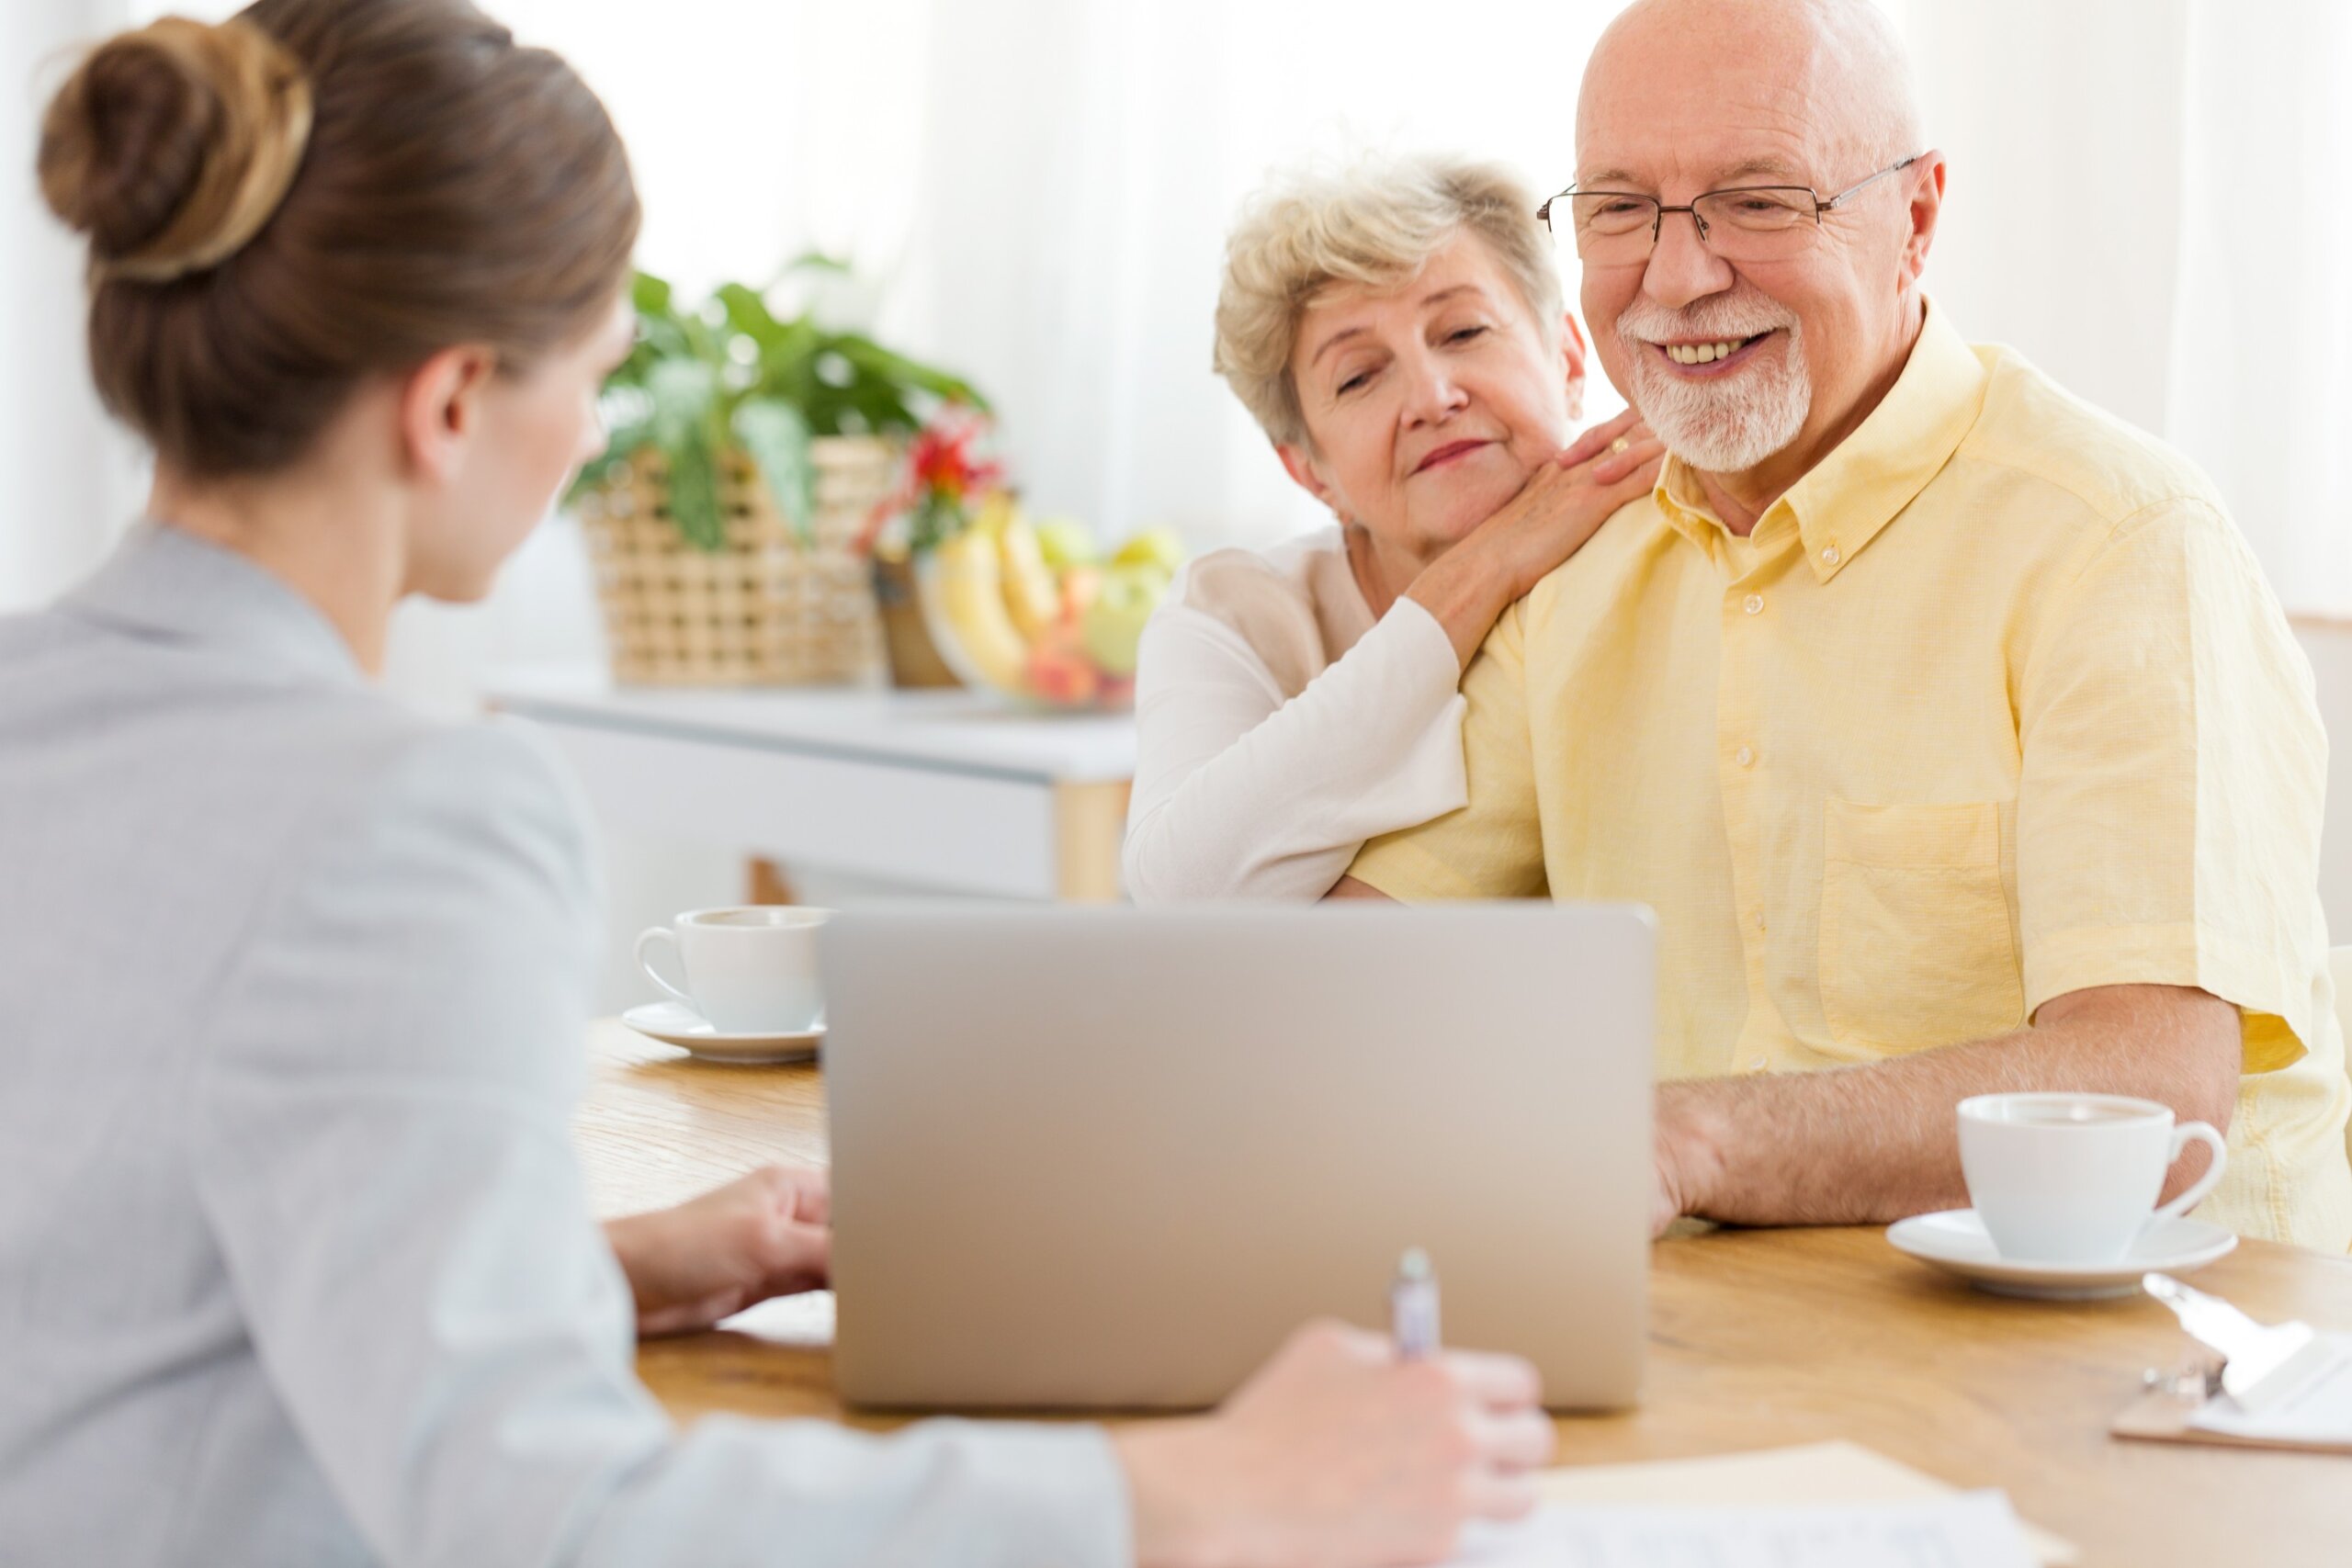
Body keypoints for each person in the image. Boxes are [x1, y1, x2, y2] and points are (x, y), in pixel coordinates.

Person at [0, 6, 1555, 1565]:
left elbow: (106, 1279)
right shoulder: (404, 819)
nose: (596, 426)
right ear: (455, 400)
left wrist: (579, 1268)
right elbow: (545, 1518)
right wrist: (1182, 1495)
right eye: (597, 372)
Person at [1336, 0, 2352, 1252]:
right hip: (1733, 1341)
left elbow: (2141, 1091)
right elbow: (1349, 967)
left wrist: (1691, 1138)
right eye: (1618, 208)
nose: (1677, 273)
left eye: (1758, 201)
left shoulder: (2119, 541)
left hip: (2150, 1365)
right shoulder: (1581, 552)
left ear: (1915, 219)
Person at [1122, 152, 1663, 902]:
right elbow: (1182, 898)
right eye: (1359, 376)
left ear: (1569, 361)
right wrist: (1486, 567)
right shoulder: (1236, 617)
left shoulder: (1665, 534)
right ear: (1311, 472)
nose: (1432, 396)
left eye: (1465, 331)